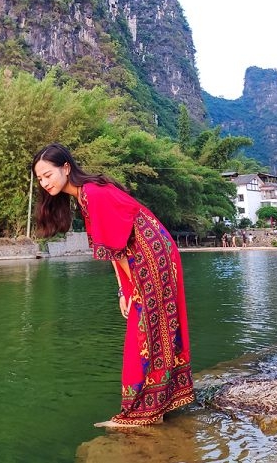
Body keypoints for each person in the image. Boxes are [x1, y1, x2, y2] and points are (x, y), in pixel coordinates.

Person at [33, 143, 195, 428]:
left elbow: (117, 248)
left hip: (150, 254)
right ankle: (159, 402)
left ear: (66, 168)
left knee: (145, 329)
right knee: (152, 326)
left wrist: (133, 287)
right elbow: (112, 247)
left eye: (48, 175)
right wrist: (124, 290)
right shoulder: (85, 197)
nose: (45, 183)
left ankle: (144, 411)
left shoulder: (92, 194)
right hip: (143, 253)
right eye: (40, 179)